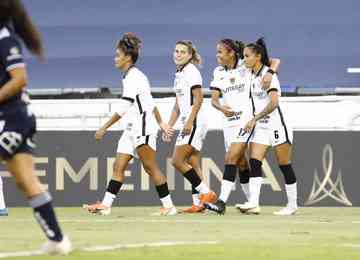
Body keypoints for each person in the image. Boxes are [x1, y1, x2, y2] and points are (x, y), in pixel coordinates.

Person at [0, 0, 71, 254]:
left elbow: (20, 79)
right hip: (16, 118)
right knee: (26, 181)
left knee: (27, 180)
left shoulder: (5, 38)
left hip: (13, 119)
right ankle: (58, 240)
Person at [83, 33, 177, 216]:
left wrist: (104, 127)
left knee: (150, 167)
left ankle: (169, 206)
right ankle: (106, 205)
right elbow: (150, 102)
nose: (115, 58)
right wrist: (162, 122)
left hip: (143, 126)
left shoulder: (135, 77)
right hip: (132, 128)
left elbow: (124, 106)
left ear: (127, 57)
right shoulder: (129, 76)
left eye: (118, 55)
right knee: (118, 166)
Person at [205, 38, 280, 215]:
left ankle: (221, 203)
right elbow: (214, 99)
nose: (217, 56)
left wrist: (269, 73)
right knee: (241, 164)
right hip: (228, 123)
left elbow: (275, 61)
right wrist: (221, 107)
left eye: (220, 52)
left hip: (245, 121)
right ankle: (252, 203)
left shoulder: (244, 64)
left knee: (230, 158)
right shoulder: (218, 72)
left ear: (231, 53)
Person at [238, 38, 298, 216]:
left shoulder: (268, 76)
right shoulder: (250, 73)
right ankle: (254, 203)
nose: (244, 60)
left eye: (247, 56)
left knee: (284, 164)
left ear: (257, 57)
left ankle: (292, 205)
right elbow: (275, 60)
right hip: (261, 126)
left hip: (277, 125)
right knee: (255, 161)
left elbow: (273, 103)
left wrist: (254, 118)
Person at [162, 40, 217, 212]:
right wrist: (168, 126)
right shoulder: (179, 73)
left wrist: (189, 121)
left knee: (178, 160)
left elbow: (199, 98)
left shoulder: (192, 72)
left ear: (190, 55)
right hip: (189, 119)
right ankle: (198, 204)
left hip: (194, 120)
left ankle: (207, 193)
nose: (178, 54)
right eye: (176, 51)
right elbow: (178, 105)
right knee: (193, 162)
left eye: (182, 52)